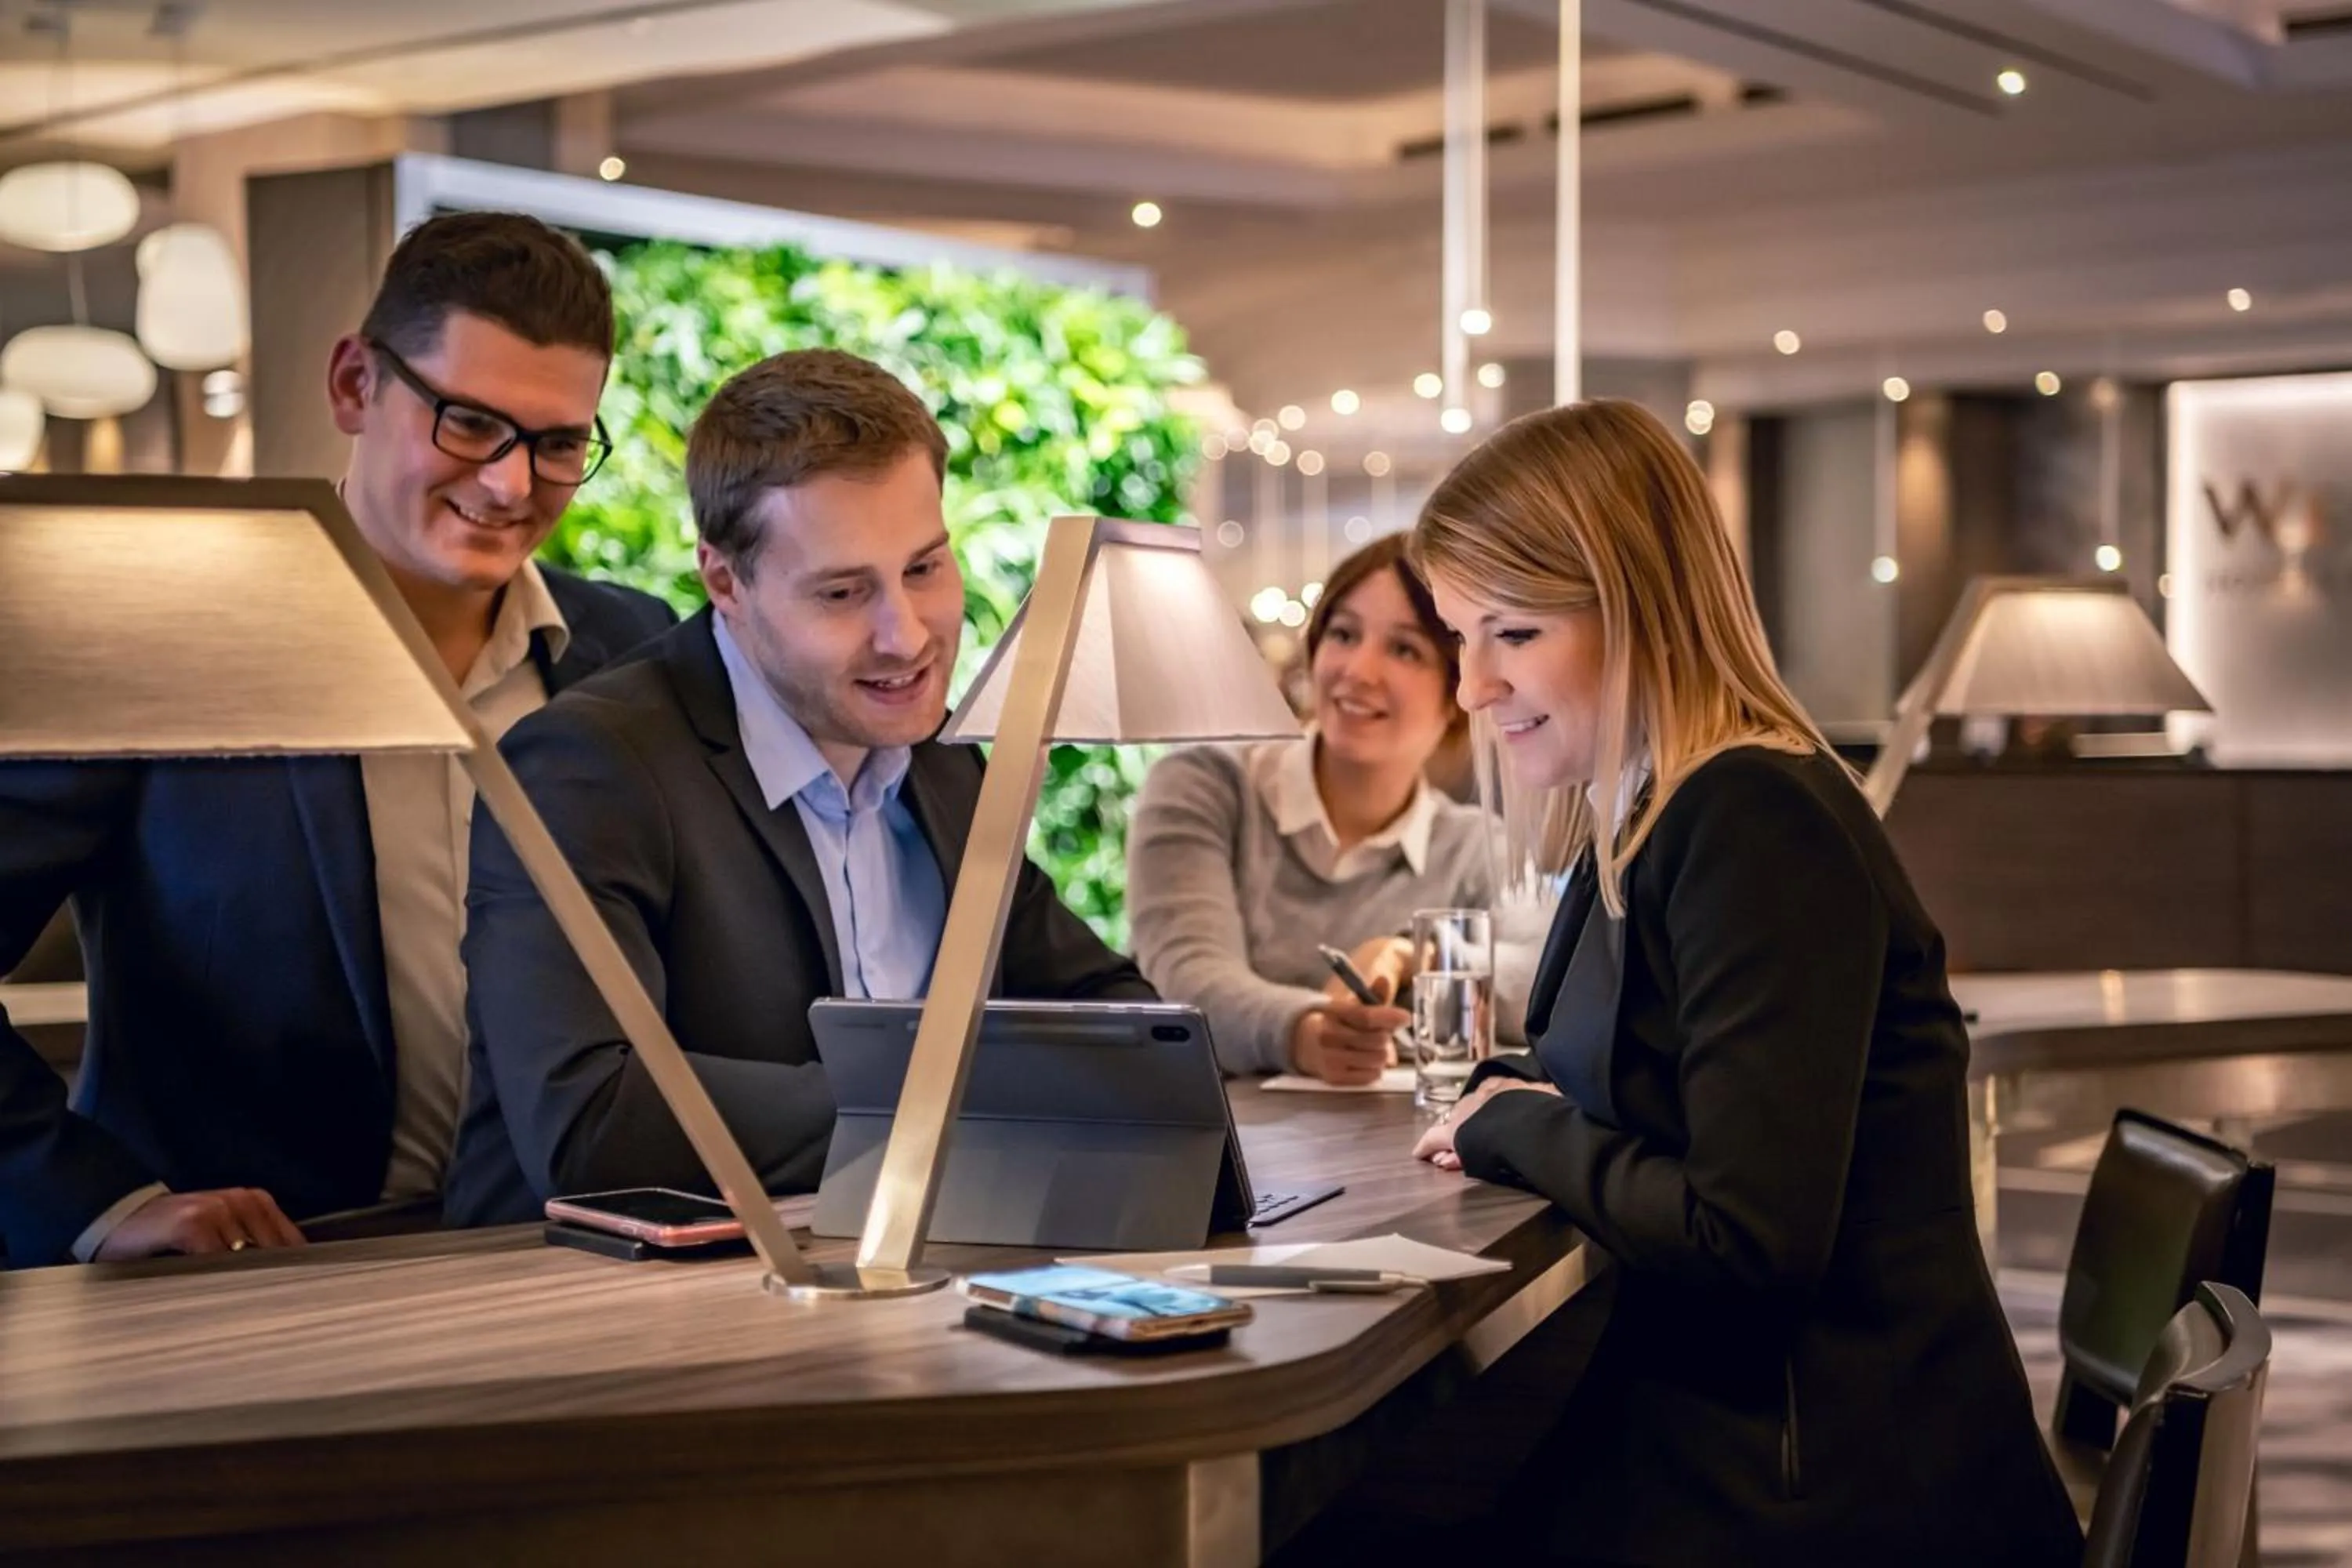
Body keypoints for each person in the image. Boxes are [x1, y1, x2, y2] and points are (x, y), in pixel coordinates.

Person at [1407, 401, 2082, 1566]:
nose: (1471, 687)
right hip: (1762, 1431)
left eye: (1511, 633)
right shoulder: (1657, 808)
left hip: (1831, 1477)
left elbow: (1744, 1240)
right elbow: (1665, 1089)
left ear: (1638, 606)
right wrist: (1520, 1100)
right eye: (1461, 636)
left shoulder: (1750, 817)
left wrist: (1517, 1126)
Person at [0, 212, 677, 1268]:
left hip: (570, 1265)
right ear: (356, 384)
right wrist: (99, 1203)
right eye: (468, 422)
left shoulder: (637, 649)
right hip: (257, 1279)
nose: (509, 484)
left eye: (555, 443)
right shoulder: (158, 635)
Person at [444, 348, 1155, 1225]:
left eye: (924, 569)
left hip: (893, 1267)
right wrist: (966, 1097)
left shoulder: (942, 758)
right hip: (580, 1292)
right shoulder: (588, 765)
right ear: (725, 582)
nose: (906, 637)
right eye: (842, 592)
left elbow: (1120, 1016)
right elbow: (591, 1118)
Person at [1127, 534, 1529, 1083]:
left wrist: (1416, 955)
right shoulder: (1205, 785)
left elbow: (1546, 981)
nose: (1359, 670)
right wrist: (1305, 1032)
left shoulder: (1472, 845)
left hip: (1392, 1135)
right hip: (1200, 1127)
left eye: (1405, 649)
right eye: (1343, 634)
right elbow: (1188, 979)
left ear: (1460, 693)